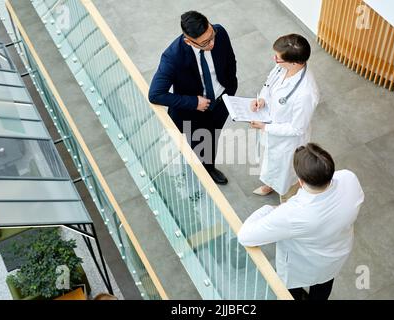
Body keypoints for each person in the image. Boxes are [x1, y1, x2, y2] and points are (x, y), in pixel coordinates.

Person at [238, 143, 364, 300]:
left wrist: (269, 209)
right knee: (324, 286)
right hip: (335, 255)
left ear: (301, 181)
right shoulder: (349, 178)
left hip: (302, 265)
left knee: (292, 291)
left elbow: (245, 236)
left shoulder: (293, 214)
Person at [148, 11, 237, 185]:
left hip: (221, 103)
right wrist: (194, 102)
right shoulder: (172, 57)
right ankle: (193, 176)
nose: (211, 44)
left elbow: (230, 60)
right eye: (205, 43)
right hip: (192, 113)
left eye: (211, 36)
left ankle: (209, 168)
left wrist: (230, 89)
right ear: (189, 41)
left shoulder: (220, 32)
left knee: (212, 137)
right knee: (195, 146)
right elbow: (156, 94)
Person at [249, 34, 319, 202]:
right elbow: (269, 83)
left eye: (278, 58)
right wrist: (263, 99)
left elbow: (297, 128)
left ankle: (286, 200)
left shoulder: (306, 93)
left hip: (287, 142)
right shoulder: (282, 67)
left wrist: (265, 127)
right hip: (271, 129)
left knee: (285, 175)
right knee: (269, 163)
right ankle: (269, 185)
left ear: (294, 62)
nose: (275, 60)